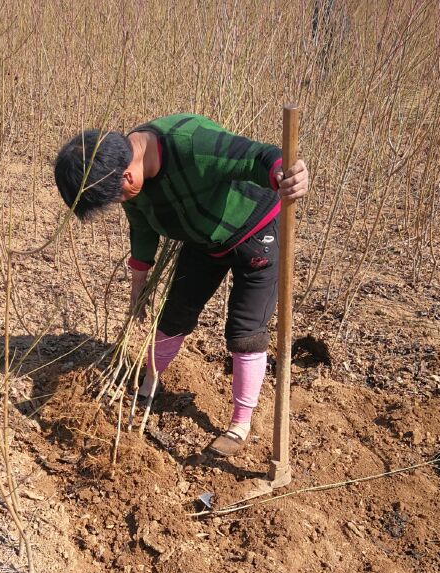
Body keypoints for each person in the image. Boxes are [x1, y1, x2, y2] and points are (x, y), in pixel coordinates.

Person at [54, 114, 308, 456]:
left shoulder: (192, 144)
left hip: (254, 232)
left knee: (245, 332)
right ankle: (148, 385)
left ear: (127, 175)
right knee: (174, 315)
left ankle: (240, 424)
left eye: (117, 197)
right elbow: (141, 224)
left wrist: (284, 174)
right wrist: (139, 283)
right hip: (203, 241)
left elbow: (258, 156)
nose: (122, 203)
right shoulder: (124, 170)